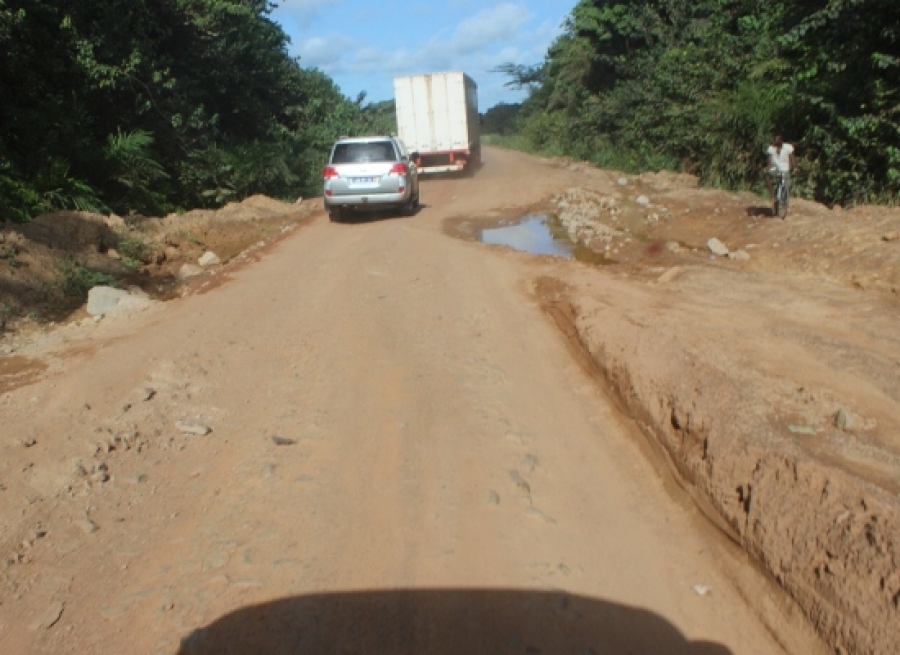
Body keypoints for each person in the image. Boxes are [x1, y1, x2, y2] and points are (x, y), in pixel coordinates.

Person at [766, 135, 795, 212]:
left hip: (785, 169)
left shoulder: (788, 147)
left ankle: (785, 200)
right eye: (775, 141)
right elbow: (769, 160)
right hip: (775, 168)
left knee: (787, 184)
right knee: (768, 177)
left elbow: (792, 159)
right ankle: (772, 195)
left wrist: (794, 167)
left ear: (781, 141)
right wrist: (768, 167)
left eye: (777, 141)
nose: (775, 143)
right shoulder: (771, 148)